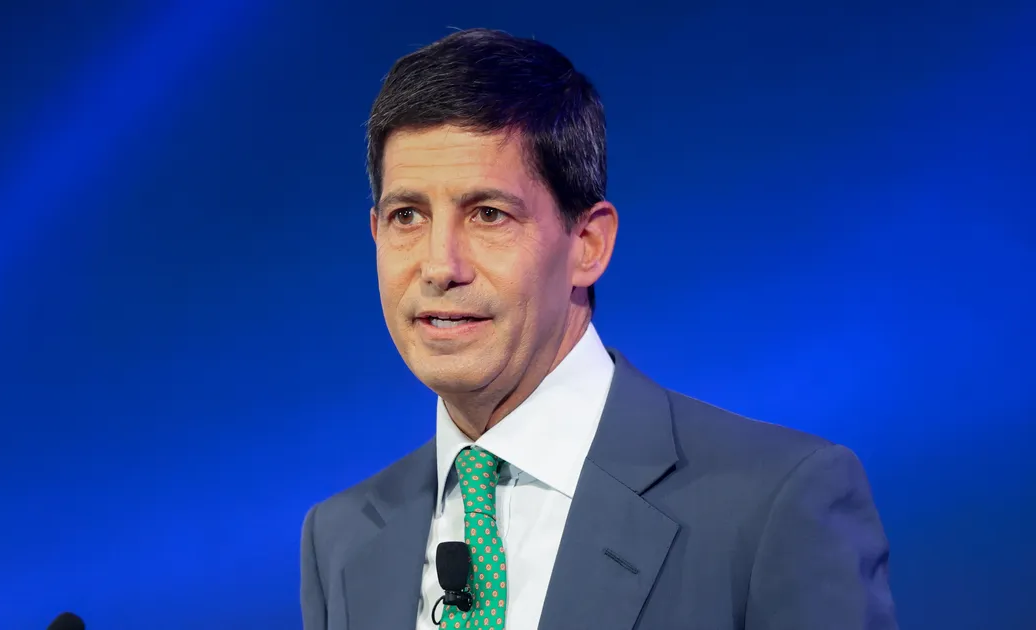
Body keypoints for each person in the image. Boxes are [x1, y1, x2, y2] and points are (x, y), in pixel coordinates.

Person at [299, 28, 898, 630]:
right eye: (407, 215)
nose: (439, 266)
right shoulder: (339, 539)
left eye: (488, 214)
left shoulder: (775, 502)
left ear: (588, 244)